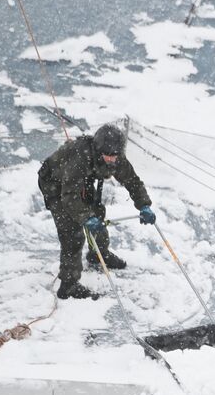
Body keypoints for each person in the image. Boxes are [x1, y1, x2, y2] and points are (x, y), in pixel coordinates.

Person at [37, 123, 157, 299]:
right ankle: (68, 285)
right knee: (72, 232)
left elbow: (132, 180)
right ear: (98, 149)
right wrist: (85, 217)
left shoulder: (115, 156)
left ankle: (98, 254)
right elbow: (69, 196)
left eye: (114, 156)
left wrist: (144, 204)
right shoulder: (79, 157)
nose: (111, 159)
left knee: (98, 216)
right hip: (56, 184)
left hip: (82, 182)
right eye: (107, 155)